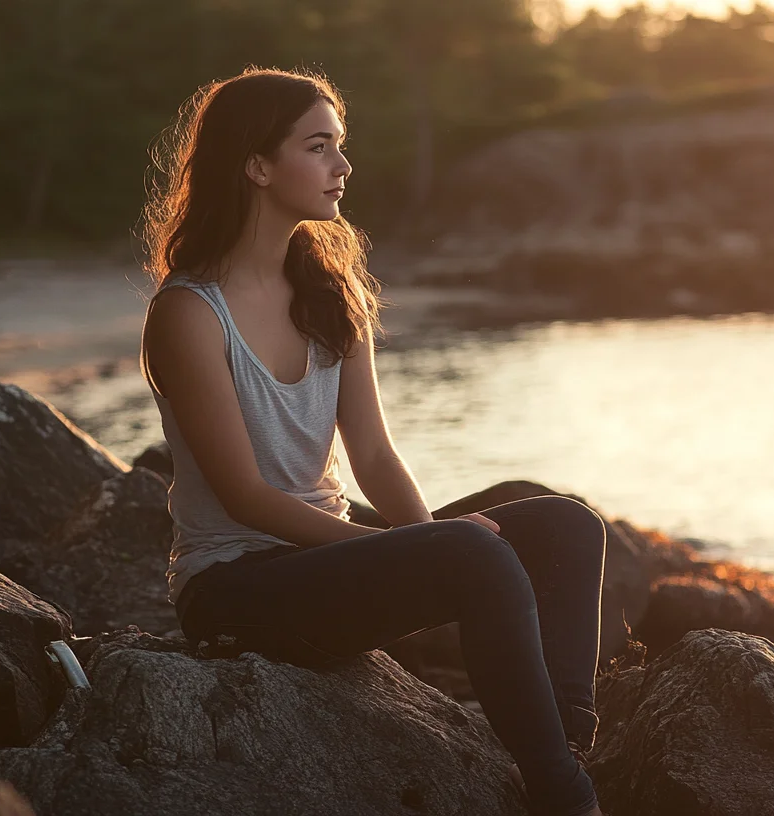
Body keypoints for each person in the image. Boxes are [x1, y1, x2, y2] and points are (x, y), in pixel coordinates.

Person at [137, 66, 608, 816]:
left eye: (340, 146)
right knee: (471, 547)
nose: (343, 167)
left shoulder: (330, 292)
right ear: (258, 165)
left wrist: (426, 544)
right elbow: (245, 497)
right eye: (319, 147)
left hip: (328, 559)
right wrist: (432, 551)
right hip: (236, 587)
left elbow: (376, 457)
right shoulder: (190, 314)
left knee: (565, 523)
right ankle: (567, 797)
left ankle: (564, 746)